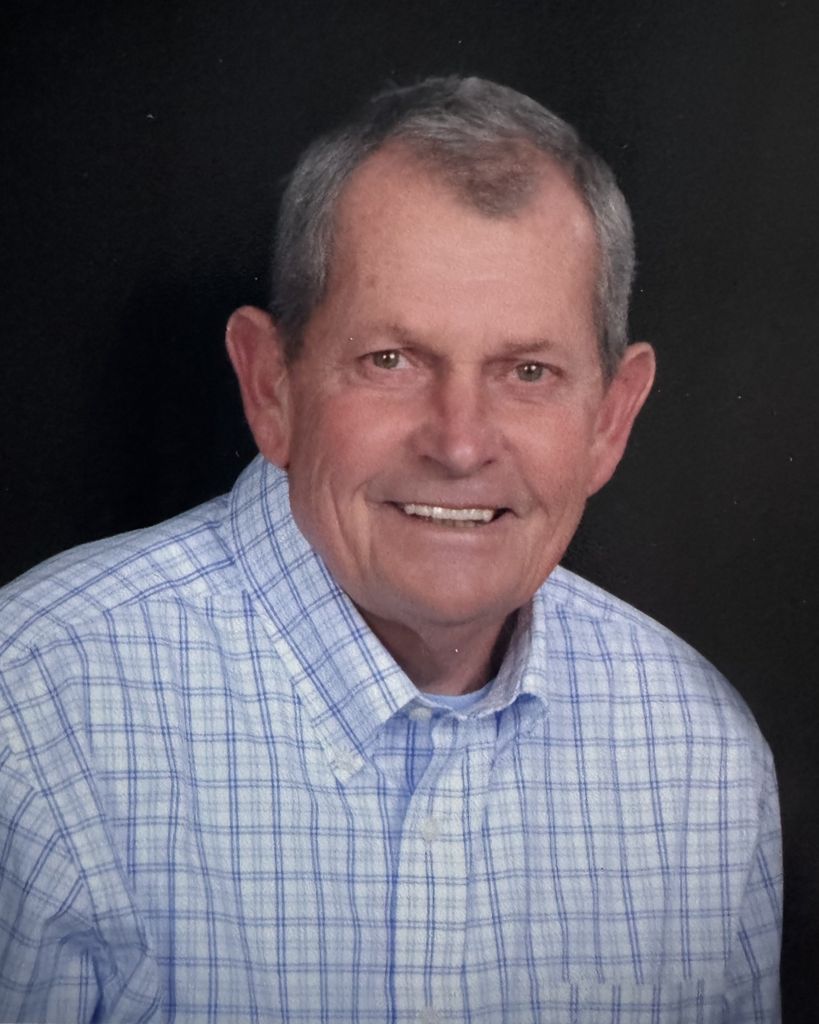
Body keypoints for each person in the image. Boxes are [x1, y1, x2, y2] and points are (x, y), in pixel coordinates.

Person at [0, 76, 781, 1023]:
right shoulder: (35, 716)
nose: (459, 443)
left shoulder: (700, 756)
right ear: (271, 387)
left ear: (610, 420)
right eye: (391, 361)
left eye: (528, 371)